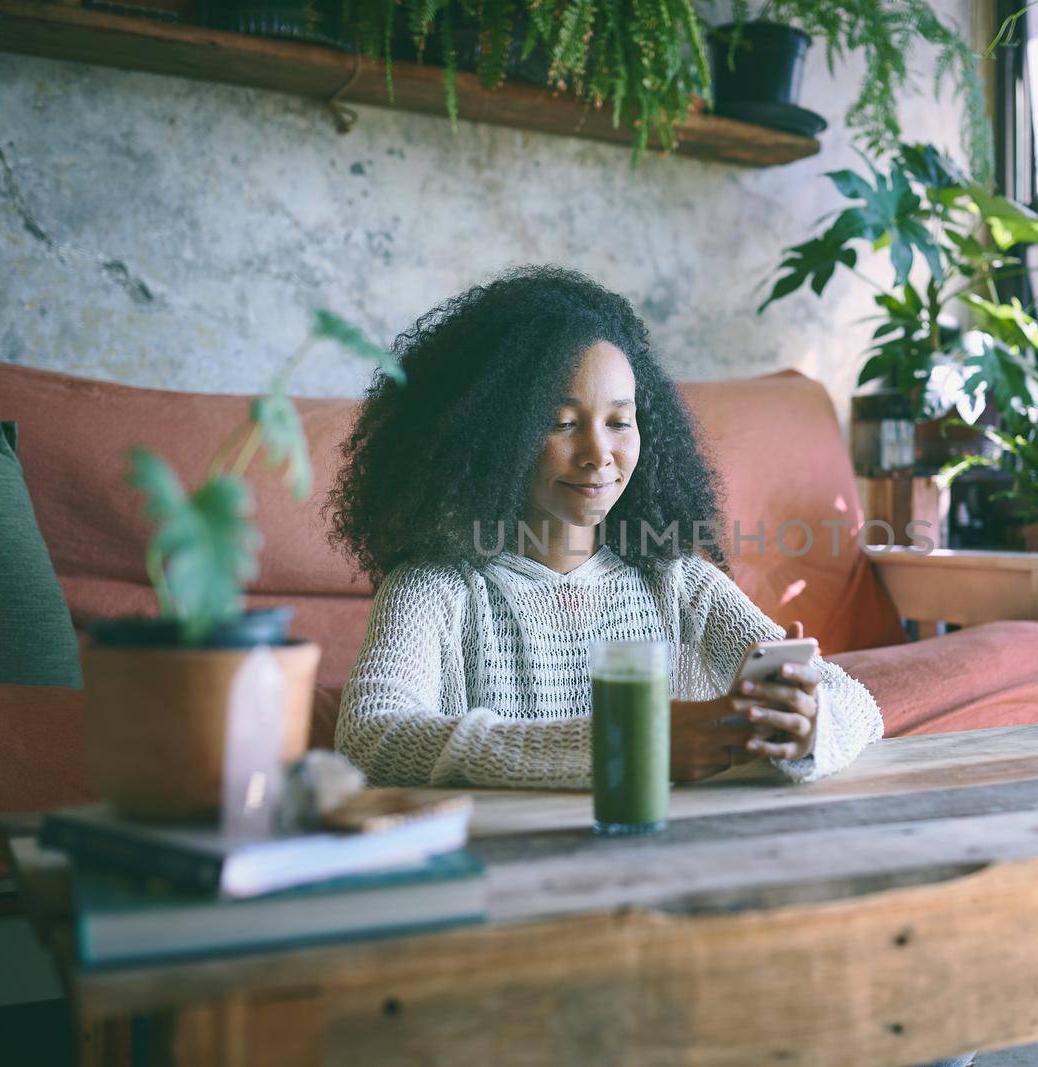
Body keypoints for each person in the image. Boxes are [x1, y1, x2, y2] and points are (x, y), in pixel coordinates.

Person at [327, 265, 882, 788]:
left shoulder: (677, 581)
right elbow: (371, 734)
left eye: (620, 422)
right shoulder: (435, 589)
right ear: (488, 438)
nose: (599, 454)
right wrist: (628, 746)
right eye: (562, 423)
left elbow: (857, 705)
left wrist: (807, 726)